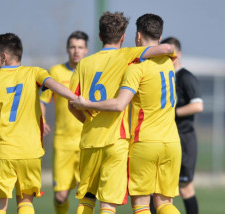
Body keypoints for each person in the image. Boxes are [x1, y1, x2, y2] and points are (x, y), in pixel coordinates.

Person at [0, 33, 77, 214]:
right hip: (30, 152)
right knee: (26, 202)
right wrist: (76, 98)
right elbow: (53, 85)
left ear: (4, 56)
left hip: (3, 151)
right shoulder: (35, 72)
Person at [71, 13, 181, 214]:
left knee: (89, 198)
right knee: (163, 203)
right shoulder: (167, 62)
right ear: (123, 37)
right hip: (165, 141)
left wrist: (87, 113)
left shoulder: (124, 66)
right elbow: (168, 49)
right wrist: (169, 50)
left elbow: (74, 104)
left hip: (135, 140)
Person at [39, 31, 89, 214]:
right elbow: (43, 101)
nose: (76, 51)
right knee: (60, 196)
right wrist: (41, 120)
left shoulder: (91, 71)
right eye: (73, 47)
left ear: (86, 50)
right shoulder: (55, 72)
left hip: (87, 141)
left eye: (80, 47)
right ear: (68, 49)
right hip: (63, 142)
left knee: (87, 195)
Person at [158, 36, 204, 214]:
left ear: (179, 54)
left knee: (185, 188)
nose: (170, 58)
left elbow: (198, 105)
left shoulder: (185, 77)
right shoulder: (162, 77)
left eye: (172, 55)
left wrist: (173, 112)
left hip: (183, 138)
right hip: (164, 139)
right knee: (158, 189)